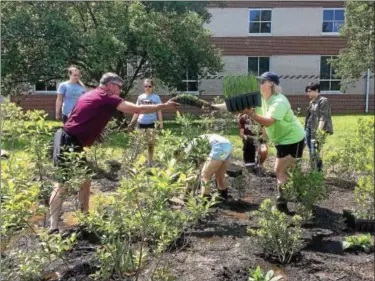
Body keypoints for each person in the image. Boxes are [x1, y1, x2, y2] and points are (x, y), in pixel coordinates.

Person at [49, 72, 179, 233]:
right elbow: (138, 109)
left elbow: (80, 115)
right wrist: (164, 106)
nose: (120, 90)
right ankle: (53, 228)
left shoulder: (91, 94)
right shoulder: (106, 96)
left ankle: (85, 218)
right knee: (61, 184)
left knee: (85, 179)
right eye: (119, 87)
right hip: (68, 141)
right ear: (110, 85)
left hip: (70, 140)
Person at [243, 72, 305, 214]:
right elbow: (264, 121)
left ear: (271, 83)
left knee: (279, 170)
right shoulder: (263, 99)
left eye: (262, 82)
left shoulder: (279, 101)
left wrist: (251, 114)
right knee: (292, 169)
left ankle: (281, 203)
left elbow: (269, 121)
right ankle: (302, 193)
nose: (259, 84)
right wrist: (212, 106)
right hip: (283, 140)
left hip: (291, 139)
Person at [183, 134, 233, 200]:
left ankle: (205, 199)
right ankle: (223, 196)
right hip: (228, 147)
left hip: (220, 147)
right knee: (220, 175)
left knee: (205, 175)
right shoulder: (207, 137)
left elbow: (187, 155)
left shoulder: (194, 141)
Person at [129, 79, 163, 166]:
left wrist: (161, 123)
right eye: (146, 86)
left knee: (150, 144)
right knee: (138, 143)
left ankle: (150, 162)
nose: (147, 88)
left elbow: (159, 110)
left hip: (152, 123)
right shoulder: (140, 97)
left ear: (152, 87)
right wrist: (132, 122)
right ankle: (136, 163)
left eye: (149, 86)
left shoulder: (156, 97)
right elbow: (136, 110)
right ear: (144, 87)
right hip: (141, 123)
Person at [304, 82, 333, 171]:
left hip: (317, 129)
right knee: (310, 150)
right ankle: (313, 170)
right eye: (307, 92)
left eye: (309, 91)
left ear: (316, 90)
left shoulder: (323, 101)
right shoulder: (312, 102)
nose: (307, 93)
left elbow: (323, 117)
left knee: (314, 151)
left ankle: (318, 171)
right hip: (309, 128)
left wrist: (319, 131)